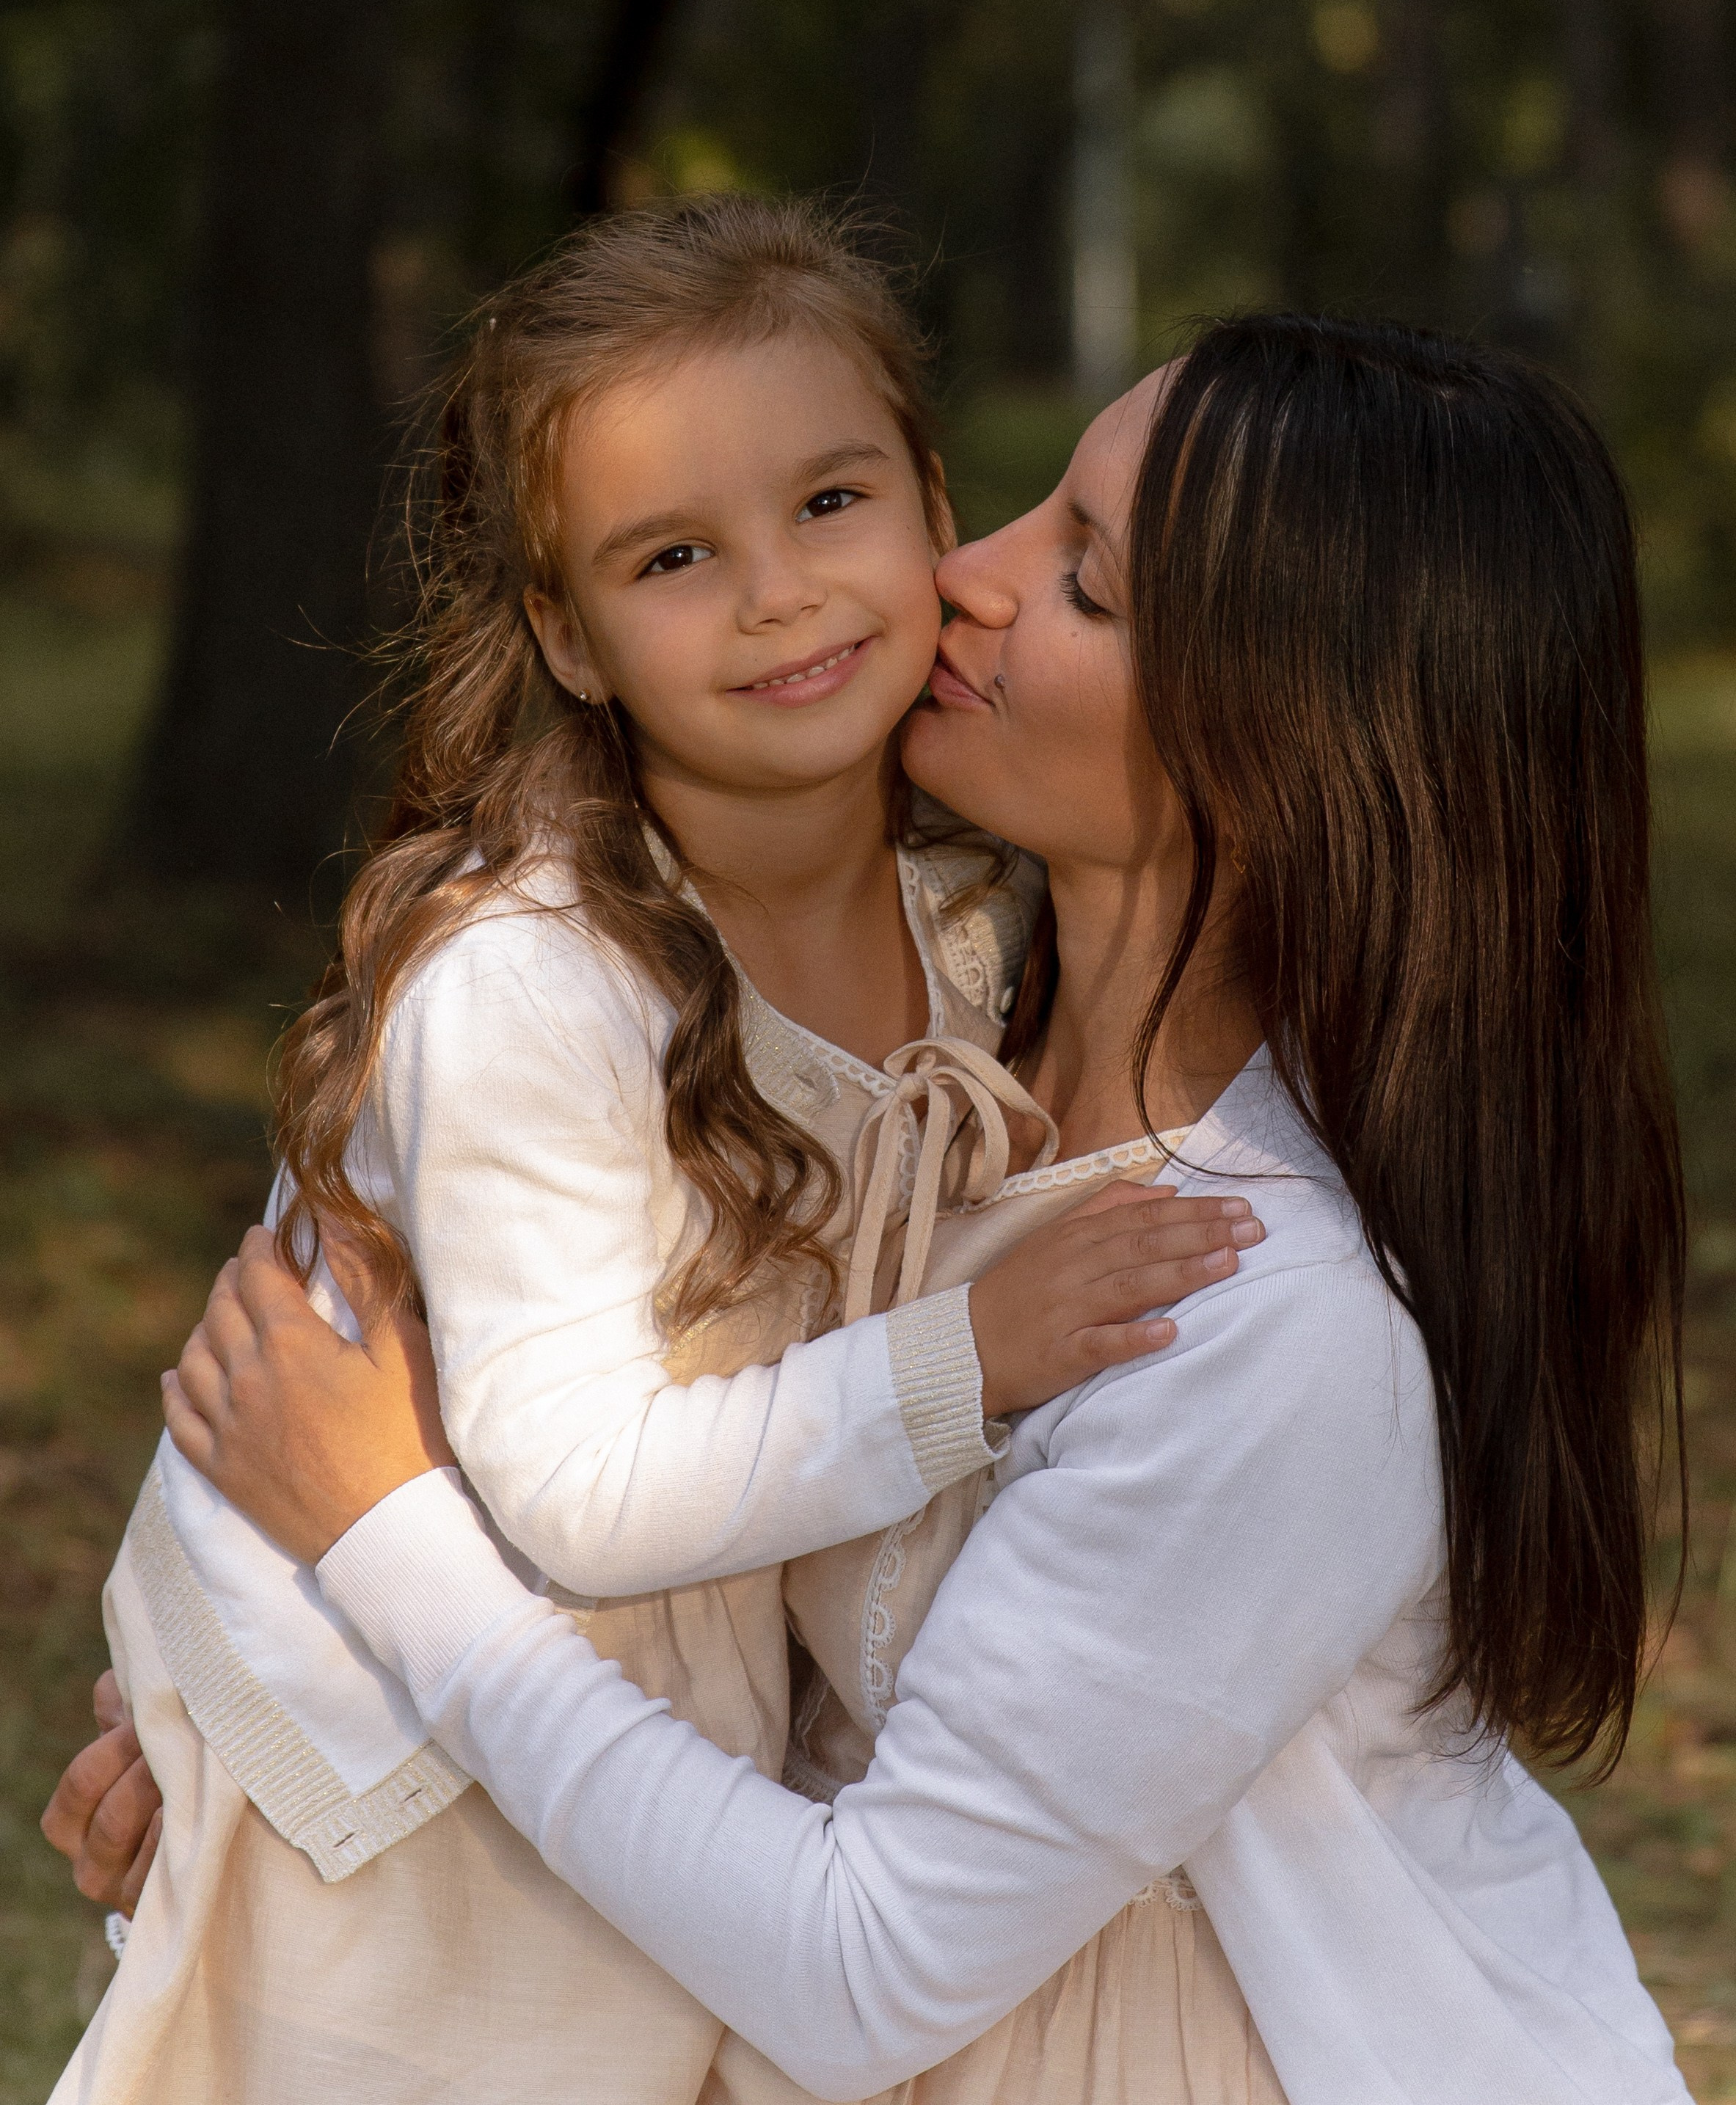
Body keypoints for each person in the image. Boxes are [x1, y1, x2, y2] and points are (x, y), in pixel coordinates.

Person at [147, 314, 1691, 2104]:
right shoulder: (931, 1009)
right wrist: (265, 1719)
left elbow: (861, 1969)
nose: (962, 575)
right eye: (1034, 510)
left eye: (1085, 584)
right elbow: (519, 1341)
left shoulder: (1270, 1317)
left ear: (1287, 754)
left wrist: (382, 1548)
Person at [44, 196, 1251, 2105]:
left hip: (639, 1681)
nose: (778, 591)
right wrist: (978, 1346)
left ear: (933, 497)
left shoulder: (971, 909)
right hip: (414, 1726)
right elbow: (579, 1480)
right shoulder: (532, 984)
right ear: (569, 635)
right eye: (673, 552)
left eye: (830, 501)